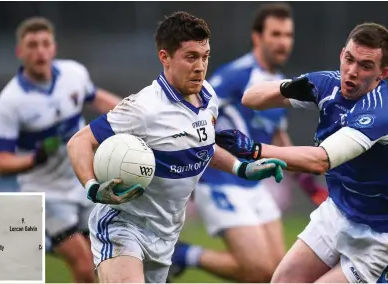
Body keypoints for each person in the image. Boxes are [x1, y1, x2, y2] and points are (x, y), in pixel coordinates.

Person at [65, 11, 288, 284]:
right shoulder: (144, 108)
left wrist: (241, 168)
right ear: (165, 57)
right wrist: (92, 187)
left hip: (165, 235)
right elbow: (80, 141)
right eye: (191, 57)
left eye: (205, 56)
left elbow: (203, 146)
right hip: (123, 226)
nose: (200, 66)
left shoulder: (208, 98)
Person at [216, 22, 388, 283]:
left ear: (383, 73)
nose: (352, 72)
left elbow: (320, 161)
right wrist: (291, 86)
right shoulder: (328, 84)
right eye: (349, 59)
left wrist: (255, 150)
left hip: (383, 235)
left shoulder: (381, 113)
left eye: (365, 66)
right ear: (341, 55)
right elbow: (250, 98)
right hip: (338, 212)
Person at [169, 3, 327, 283]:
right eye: (275, 34)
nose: (283, 42)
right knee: (260, 271)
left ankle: (183, 256)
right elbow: (195, 109)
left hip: (256, 185)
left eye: (288, 35)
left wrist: (309, 186)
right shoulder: (237, 75)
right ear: (257, 37)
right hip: (221, 181)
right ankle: (182, 255)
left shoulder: (280, 83)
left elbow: (278, 138)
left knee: (279, 274)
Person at [0, 17, 121, 283]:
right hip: (46, 195)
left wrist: (132, 114)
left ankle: (49, 241)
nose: (39, 50)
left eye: (44, 44)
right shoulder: (10, 102)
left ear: (54, 48)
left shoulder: (73, 74)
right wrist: (34, 158)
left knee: (107, 260)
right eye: (32, 45)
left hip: (83, 181)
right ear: (20, 52)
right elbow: (2, 163)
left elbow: (96, 99)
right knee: (84, 268)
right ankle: (48, 237)